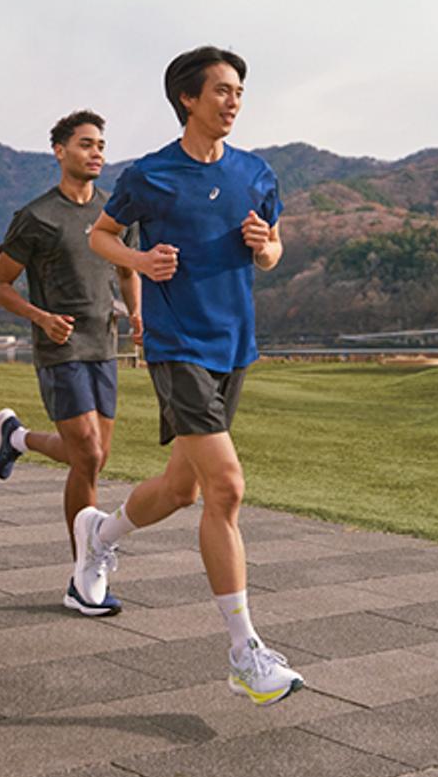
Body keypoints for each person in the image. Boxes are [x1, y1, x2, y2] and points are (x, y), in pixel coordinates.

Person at [84, 46, 303, 704]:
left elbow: (272, 253)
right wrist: (140, 261)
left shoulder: (256, 172)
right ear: (188, 98)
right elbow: (100, 235)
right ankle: (244, 651)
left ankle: (101, 532)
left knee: (183, 488)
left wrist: (266, 247)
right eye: (222, 91)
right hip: (177, 344)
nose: (234, 101)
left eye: (239, 91)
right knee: (226, 489)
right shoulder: (152, 175)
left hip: (233, 344)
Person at [0, 110, 142, 617]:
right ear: (59, 151)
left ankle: (16, 438)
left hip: (104, 346)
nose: (96, 152)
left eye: (101, 144)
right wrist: (41, 317)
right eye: (85, 144)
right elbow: (0, 287)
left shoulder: (111, 214)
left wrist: (138, 315)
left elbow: (126, 271)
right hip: (60, 349)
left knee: (91, 458)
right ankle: (83, 575)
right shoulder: (36, 217)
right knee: (89, 455)